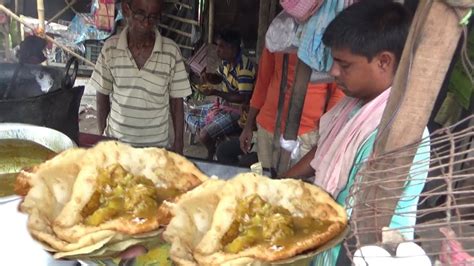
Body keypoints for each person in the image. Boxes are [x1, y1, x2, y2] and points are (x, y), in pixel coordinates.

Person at [278, 1, 429, 265]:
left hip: (359, 251)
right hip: (332, 242)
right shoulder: (357, 105)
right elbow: (325, 150)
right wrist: (280, 183)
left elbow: (362, 219)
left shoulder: (397, 132)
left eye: (344, 65)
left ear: (383, 61)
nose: (333, 72)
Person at [90, 0, 191, 153]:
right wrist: (103, 139)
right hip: (117, 145)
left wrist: (179, 144)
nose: (146, 23)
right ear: (126, 10)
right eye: (140, 14)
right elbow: (102, 94)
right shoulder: (110, 48)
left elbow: (177, 103)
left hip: (156, 148)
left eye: (153, 17)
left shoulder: (171, 52)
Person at [239, 46, 344, 170]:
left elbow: (337, 93)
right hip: (268, 127)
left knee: (295, 185)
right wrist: (248, 125)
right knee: (268, 183)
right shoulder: (277, 36)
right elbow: (262, 81)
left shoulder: (328, 41)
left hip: (306, 132)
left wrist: (326, 133)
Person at [185, 29, 256, 160]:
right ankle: (210, 130)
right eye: (217, 45)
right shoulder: (226, 61)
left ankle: (211, 151)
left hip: (238, 112)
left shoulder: (244, 68)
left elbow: (242, 98)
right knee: (189, 114)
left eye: (221, 46)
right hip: (224, 106)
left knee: (204, 135)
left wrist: (216, 92)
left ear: (232, 48)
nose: (217, 50)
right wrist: (210, 77)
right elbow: (219, 77)